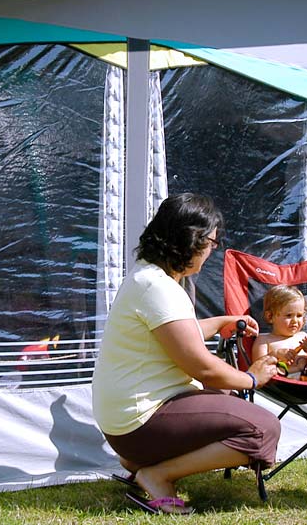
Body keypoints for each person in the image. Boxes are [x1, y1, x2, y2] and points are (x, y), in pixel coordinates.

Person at [92, 193, 281, 515]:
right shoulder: (158, 288)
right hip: (138, 422)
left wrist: (220, 322)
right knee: (263, 428)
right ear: (191, 240)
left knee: (222, 393)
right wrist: (252, 378)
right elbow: (201, 366)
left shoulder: (148, 276)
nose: (211, 251)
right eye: (211, 243)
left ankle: (140, 460)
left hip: (124, 420)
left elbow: (173, 332)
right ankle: (157, 474)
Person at [251, 285, 307, 379]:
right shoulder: (263, 340)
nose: (295, 320)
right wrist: (275, 354)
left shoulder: (303, 336)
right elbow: (257, 366)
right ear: (270, 316)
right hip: (281, 383)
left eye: (299, 315)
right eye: (289, 315)